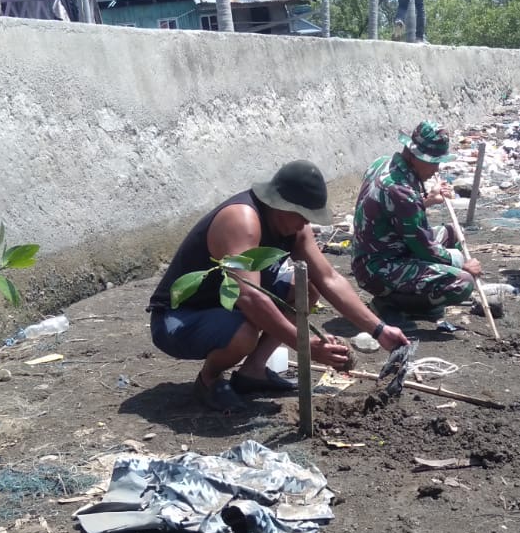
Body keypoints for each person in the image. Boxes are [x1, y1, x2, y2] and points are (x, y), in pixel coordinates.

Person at [149, 160, 411, 413]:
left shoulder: (294, 228)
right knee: (244, 332)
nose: (306, 224)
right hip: (180, 318)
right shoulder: (242, 220)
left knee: (305, 288)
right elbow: (249, 297)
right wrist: (305, 345)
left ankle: (253, 371)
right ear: (280, 205)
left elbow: (329, 278)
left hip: (227, 306)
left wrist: (379, 330)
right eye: (302, 216)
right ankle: (209, 380)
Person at [352, 121, 480, 323]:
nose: (436, 168)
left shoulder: (382, 163)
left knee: (452, 233)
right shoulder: (401, 191)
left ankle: (421, 296)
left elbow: (396, 211)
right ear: (414, 156)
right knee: (462, 283)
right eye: (433, 162)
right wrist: (461, 264)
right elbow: (424, 248)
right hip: (378, 267)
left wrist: (428, 199)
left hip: (379, 250)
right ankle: (393, 303)